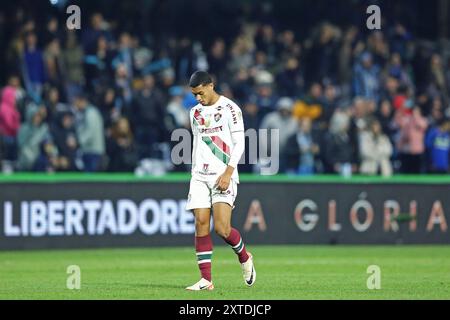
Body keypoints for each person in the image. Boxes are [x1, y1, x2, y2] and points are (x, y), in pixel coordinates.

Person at [185, 71, 255, 291]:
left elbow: (239, 143)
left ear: (210, 85)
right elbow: (198, 143)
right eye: (194, 94)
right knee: (201, 223)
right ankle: (206, 280)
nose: (198, 98)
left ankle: (244, 257)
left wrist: (228, 173)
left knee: (223, 229)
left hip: (222, 174)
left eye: (200, 93)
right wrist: (194, 172)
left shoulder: (230, 109)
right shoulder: (194, 112)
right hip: (199, 176)